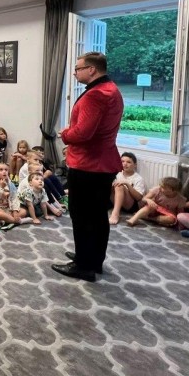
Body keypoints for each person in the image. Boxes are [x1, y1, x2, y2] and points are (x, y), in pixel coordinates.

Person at [53, 52, 123, 282]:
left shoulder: (96, 95)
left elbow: (83, 133)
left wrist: (65, 134)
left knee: (82, 216)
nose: (75, 73)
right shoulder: (112, 89)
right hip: (103, 162)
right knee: (97, 216)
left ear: (91, 69)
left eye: (78, 68)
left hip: (89, 164)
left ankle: (83, 266)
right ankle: (93, 259)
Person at [109, 152, 147, 225]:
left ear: (135, 165)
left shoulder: (138, 178)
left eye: (128, 162)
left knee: (119, 185)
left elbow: (139, 197)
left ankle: (115, 214)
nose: (125, 164)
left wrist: (127, 184)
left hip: (130, 205)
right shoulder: (117, 174)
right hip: (114, 201)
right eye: (122, 161)